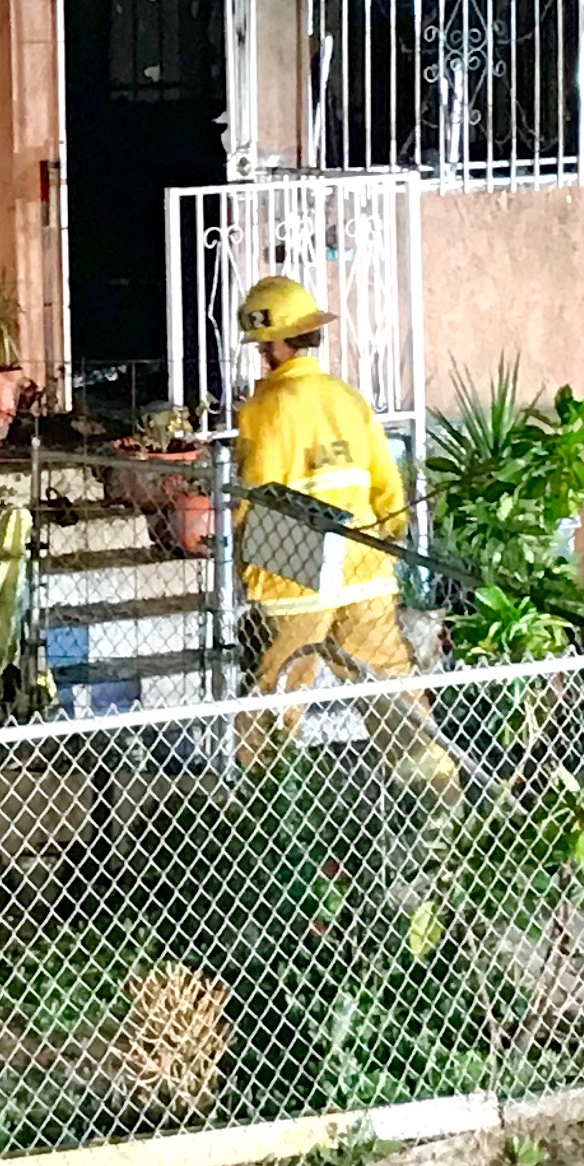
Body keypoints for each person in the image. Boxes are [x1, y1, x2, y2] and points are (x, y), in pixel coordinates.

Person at [230, 274, 456, 797]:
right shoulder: (350, 400)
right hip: (364, 573)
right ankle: (441, 810)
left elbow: (254, 492)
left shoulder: (264, 409)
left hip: (293, 577)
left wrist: (244, 559)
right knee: (396, 703)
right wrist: (381, 548)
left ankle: (263, 821)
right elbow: (388, 491)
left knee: (275, 699)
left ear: (272, 345)